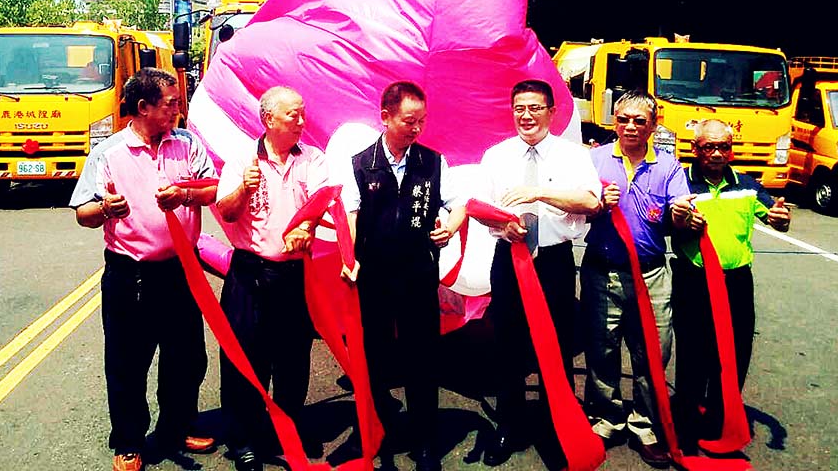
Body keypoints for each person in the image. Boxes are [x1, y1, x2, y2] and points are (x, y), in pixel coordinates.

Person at [69, 68, 219, 471]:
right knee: (127, 361)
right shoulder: (109, 153)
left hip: (182, 270)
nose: (177, 109)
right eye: (170, 103)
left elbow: (213, 187)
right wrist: (104, 209)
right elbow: (83, 212)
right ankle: (130, 441)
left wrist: (186, 193)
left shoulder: (186, 144)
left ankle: (177, 425)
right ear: (144, 107)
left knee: (187, 356)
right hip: (129, 277)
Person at [341, 81, 466, 471]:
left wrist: (452, 226)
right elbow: (352, 212)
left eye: (422, 121)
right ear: (385, 118)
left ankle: (425, 440)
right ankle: (375, 428)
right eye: (409, 121)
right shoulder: (361, 163)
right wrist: (350, 257)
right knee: (374, 356)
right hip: (374, 276)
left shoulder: (432, 161)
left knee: (422, 358)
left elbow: (459, 202)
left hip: (417, 274)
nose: (417, 128)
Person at [477, 79, 602, 467]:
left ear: (551, 111)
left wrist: (540, 194)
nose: (526, 116)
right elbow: (480, 206)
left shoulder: (572, 155)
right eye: (519, 108)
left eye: (534, 108)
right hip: (510, 259)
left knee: (558, 345)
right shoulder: (496, 155)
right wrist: (502, 226)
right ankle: (508, 426)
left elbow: (591, 201)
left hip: (553, 262)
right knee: (508, 345)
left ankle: (556, 426)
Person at [215, 86, 328, 471]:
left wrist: (307, 227)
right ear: (268, 119)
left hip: (294, 274)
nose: (301, 121)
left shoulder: (312, 158)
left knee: (294, 357)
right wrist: (243, 190)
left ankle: (289, 427)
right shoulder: (241, 159)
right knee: (245, 359)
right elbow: (226, 213)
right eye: (292, 115)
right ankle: (245, 439)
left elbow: (319, 203)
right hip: (249, 274)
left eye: (302, 113)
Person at [582, 90, 691, 468]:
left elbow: (679, 217)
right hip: (601, 270)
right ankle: (605, 419)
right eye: (623, 118)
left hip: (651, 274)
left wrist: (681, 214)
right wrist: (598, 206)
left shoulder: (669, 166)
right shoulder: (592, 160)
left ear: (654, 124)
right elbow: (575, 213)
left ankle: (645, 425)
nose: (630, 126)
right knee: (601, 348)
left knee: (653, 352)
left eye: (639, 120)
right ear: (614, 120)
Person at [670, 119, 790, 452]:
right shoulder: (680, 182)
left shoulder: (748, 185)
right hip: (694, 280)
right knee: (693, 352)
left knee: (735, 354)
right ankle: (687, 426)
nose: (717, 153)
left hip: (737, 281)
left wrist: (782, 220)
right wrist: (681, 221)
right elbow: (666, 220)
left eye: (724, 146)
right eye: (709, 146)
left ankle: (720, 423)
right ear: (695, 149)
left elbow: (774, 216)